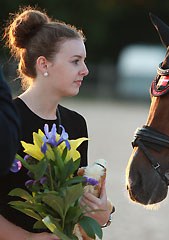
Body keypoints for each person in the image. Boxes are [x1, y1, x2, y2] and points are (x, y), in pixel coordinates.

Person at [0, 7, 111, 239]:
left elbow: (77, 207)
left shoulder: (76, 124)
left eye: (84, 61)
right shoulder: (6, 119)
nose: (85, 70)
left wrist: (102, 213)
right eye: (75, 61)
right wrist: (26, 238)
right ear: (44, 65)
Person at [0, 67, 20, 176]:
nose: (82, 71)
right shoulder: (17, 115)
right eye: (75, 61)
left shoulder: (76, 121)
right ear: (43, 64)